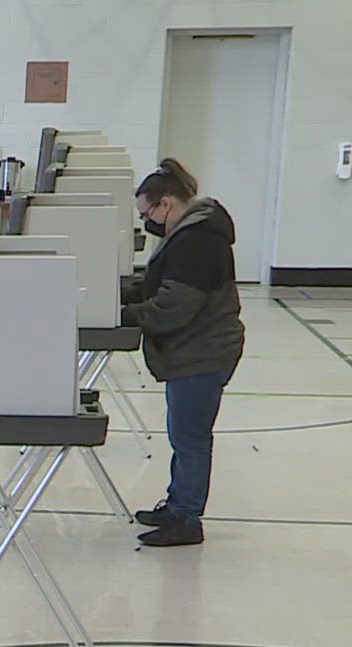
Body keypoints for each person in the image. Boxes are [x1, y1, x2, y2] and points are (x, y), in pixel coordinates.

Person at [120, 158, 245, 548]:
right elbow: (162, 284)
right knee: (183, 434)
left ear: (167, 204)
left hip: (202, 352)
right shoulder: (192, 233)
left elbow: (174, 307)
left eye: (147, 213)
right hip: (198, 350)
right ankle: (177, 504)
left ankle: (188, 518)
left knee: (190, 438)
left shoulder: (197, 240)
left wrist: (124, 314)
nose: (147, 223)